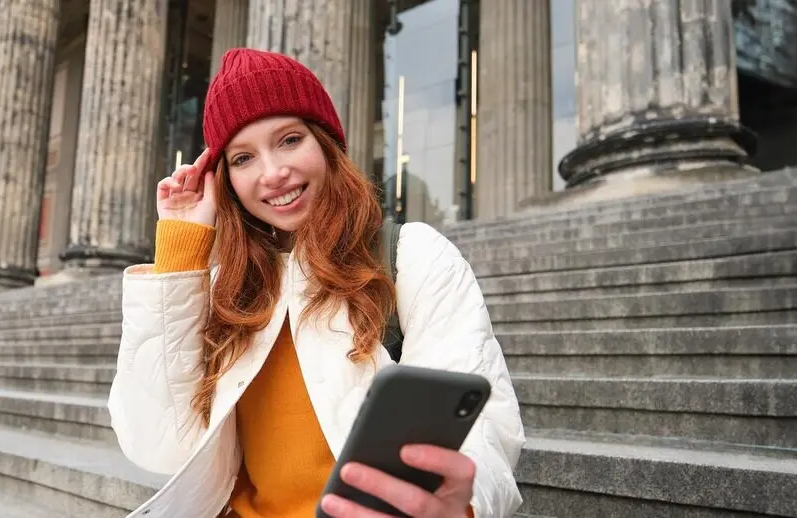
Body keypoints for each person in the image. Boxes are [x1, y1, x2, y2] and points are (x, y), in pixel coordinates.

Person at [106, 48, 525, 518]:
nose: (272, 173)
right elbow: (156, 445)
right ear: (226, 180)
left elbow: (484, 425)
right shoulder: (223, 290)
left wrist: (460, 504)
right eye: (243, 158)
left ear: (326, 142)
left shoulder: (412, 256)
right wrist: (181, 247)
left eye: (289, 140)